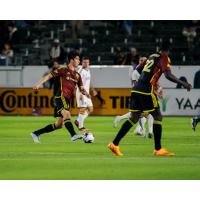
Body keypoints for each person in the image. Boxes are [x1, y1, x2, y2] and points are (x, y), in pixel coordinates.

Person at [108, 41, 192, 157]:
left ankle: (114, 144)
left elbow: (139, 69)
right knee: (157, 116)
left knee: (134, 117)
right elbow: (168, 75)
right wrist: (183, 83)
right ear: (167, 51)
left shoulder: (152, 56)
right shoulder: (164, 58)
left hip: (136, 88)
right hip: (146, 90)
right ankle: (158, 149)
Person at [31, 52, 90, 143]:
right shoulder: (63, 70)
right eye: (77, 59)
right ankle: (73, 135)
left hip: (67, 99)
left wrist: (85, 93)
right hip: (61, 96)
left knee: (59, 125)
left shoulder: (77, 75)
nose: (79, 61)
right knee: (67, 114)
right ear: (71, 60)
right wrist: (39, 84)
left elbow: (81, 88)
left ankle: (36, 133)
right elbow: (49, 76)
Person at [113, 56, 160, 139]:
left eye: (144, 60)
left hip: (144, 94)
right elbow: (135, 85)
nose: (143, 62)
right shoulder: (135, 72)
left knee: (141, 114)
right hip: (139, 94)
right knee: (144, 113)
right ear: (139, 61)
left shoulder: (147, 71)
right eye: (141, 60)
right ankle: (145, 130)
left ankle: (142, 130)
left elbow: (154, 81)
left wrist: (157, 89)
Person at [74, 57, 97, 131]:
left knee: (90, 109)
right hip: (81, 92)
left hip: (86, 92)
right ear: (82, 63)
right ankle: (81, 127)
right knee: (83, 109)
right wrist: (82, 94)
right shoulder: (81, 71)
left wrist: (92, 89)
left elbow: (89, 81)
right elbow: (77, 83)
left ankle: (78, 121)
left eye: (87, 62)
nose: (86, 63)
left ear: (89, 63)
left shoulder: (88, 70)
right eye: (84, 62)